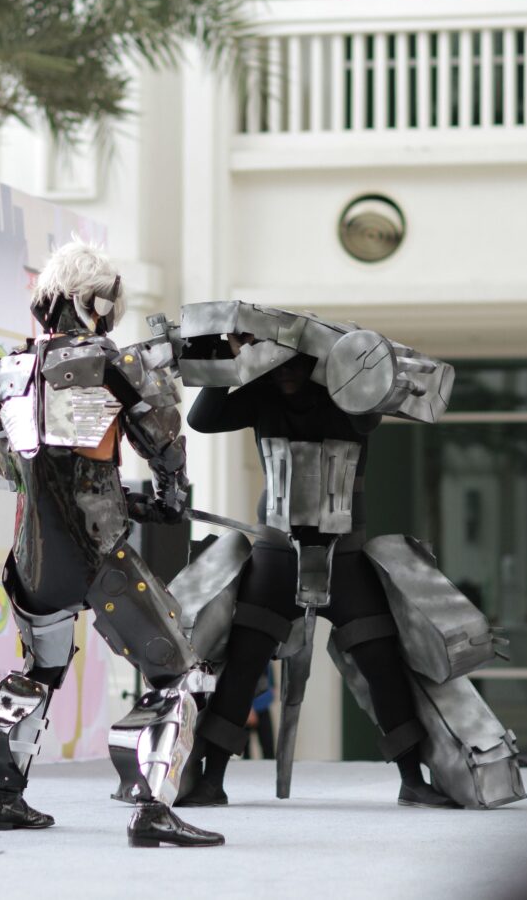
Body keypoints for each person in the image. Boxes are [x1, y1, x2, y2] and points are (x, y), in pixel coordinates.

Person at [0, 238, 224, 848]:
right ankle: (151, 807)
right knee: (178, 673)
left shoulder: (11, 370)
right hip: (98, 553)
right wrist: (170, 496)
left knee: (40, 671)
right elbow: (162, 445)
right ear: (97, 302)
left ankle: (5, 797)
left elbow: (13, 465)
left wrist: (115, 493)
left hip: (32, 560)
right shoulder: (110, 362)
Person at [175, 310, 457, 810]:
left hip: (343, 558)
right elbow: (202, 419)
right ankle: (212, 778)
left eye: (297, 362)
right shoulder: (260, 395)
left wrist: (358, 356)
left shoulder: (351, 396)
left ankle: (412, 779)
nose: (285, 371)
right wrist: (232, 358)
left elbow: (370, 408)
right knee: (243, 664)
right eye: (277, 361)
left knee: (382, 665)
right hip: (276, 557)